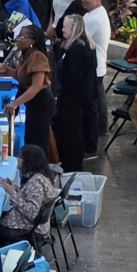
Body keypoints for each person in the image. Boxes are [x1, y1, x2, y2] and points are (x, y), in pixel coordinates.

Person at [0, 26, 55, 156]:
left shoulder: (37, 57)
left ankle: (39, 171)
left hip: (41, 103)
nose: (17, 40)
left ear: (32, 42)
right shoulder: (26, 55)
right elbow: (23, 78)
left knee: (37, 142)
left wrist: (15, 103)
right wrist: (7, 70)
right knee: (30, 139)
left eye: (21, 37)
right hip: (32, 103)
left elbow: (36, 86)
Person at [54, 14, 96, 172]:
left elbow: (73, 78)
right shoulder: (85, 45)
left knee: (71, 136)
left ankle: (71, 167)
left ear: (74, 28)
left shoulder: (76, 49)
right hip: (79, 100)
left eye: (65, 27)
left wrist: (61, 95)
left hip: (71, 101)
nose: (62, 29)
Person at [0, 145, 55, 246]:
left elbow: (31, 213)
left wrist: (12, 193)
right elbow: (29, 197)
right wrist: (16, 188)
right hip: (34, 225)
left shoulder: (36, 183)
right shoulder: (37, 176)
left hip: (30, 229)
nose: (17, 159)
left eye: (20, 157)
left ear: (29, 161)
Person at [81, 0, 111, 134]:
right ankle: (100, 128)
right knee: (98, 99)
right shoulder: (94, 13)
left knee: (95, 102)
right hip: (97, 64)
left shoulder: (94, 18)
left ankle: (99, 129)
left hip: (94, 66)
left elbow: (78, 39)